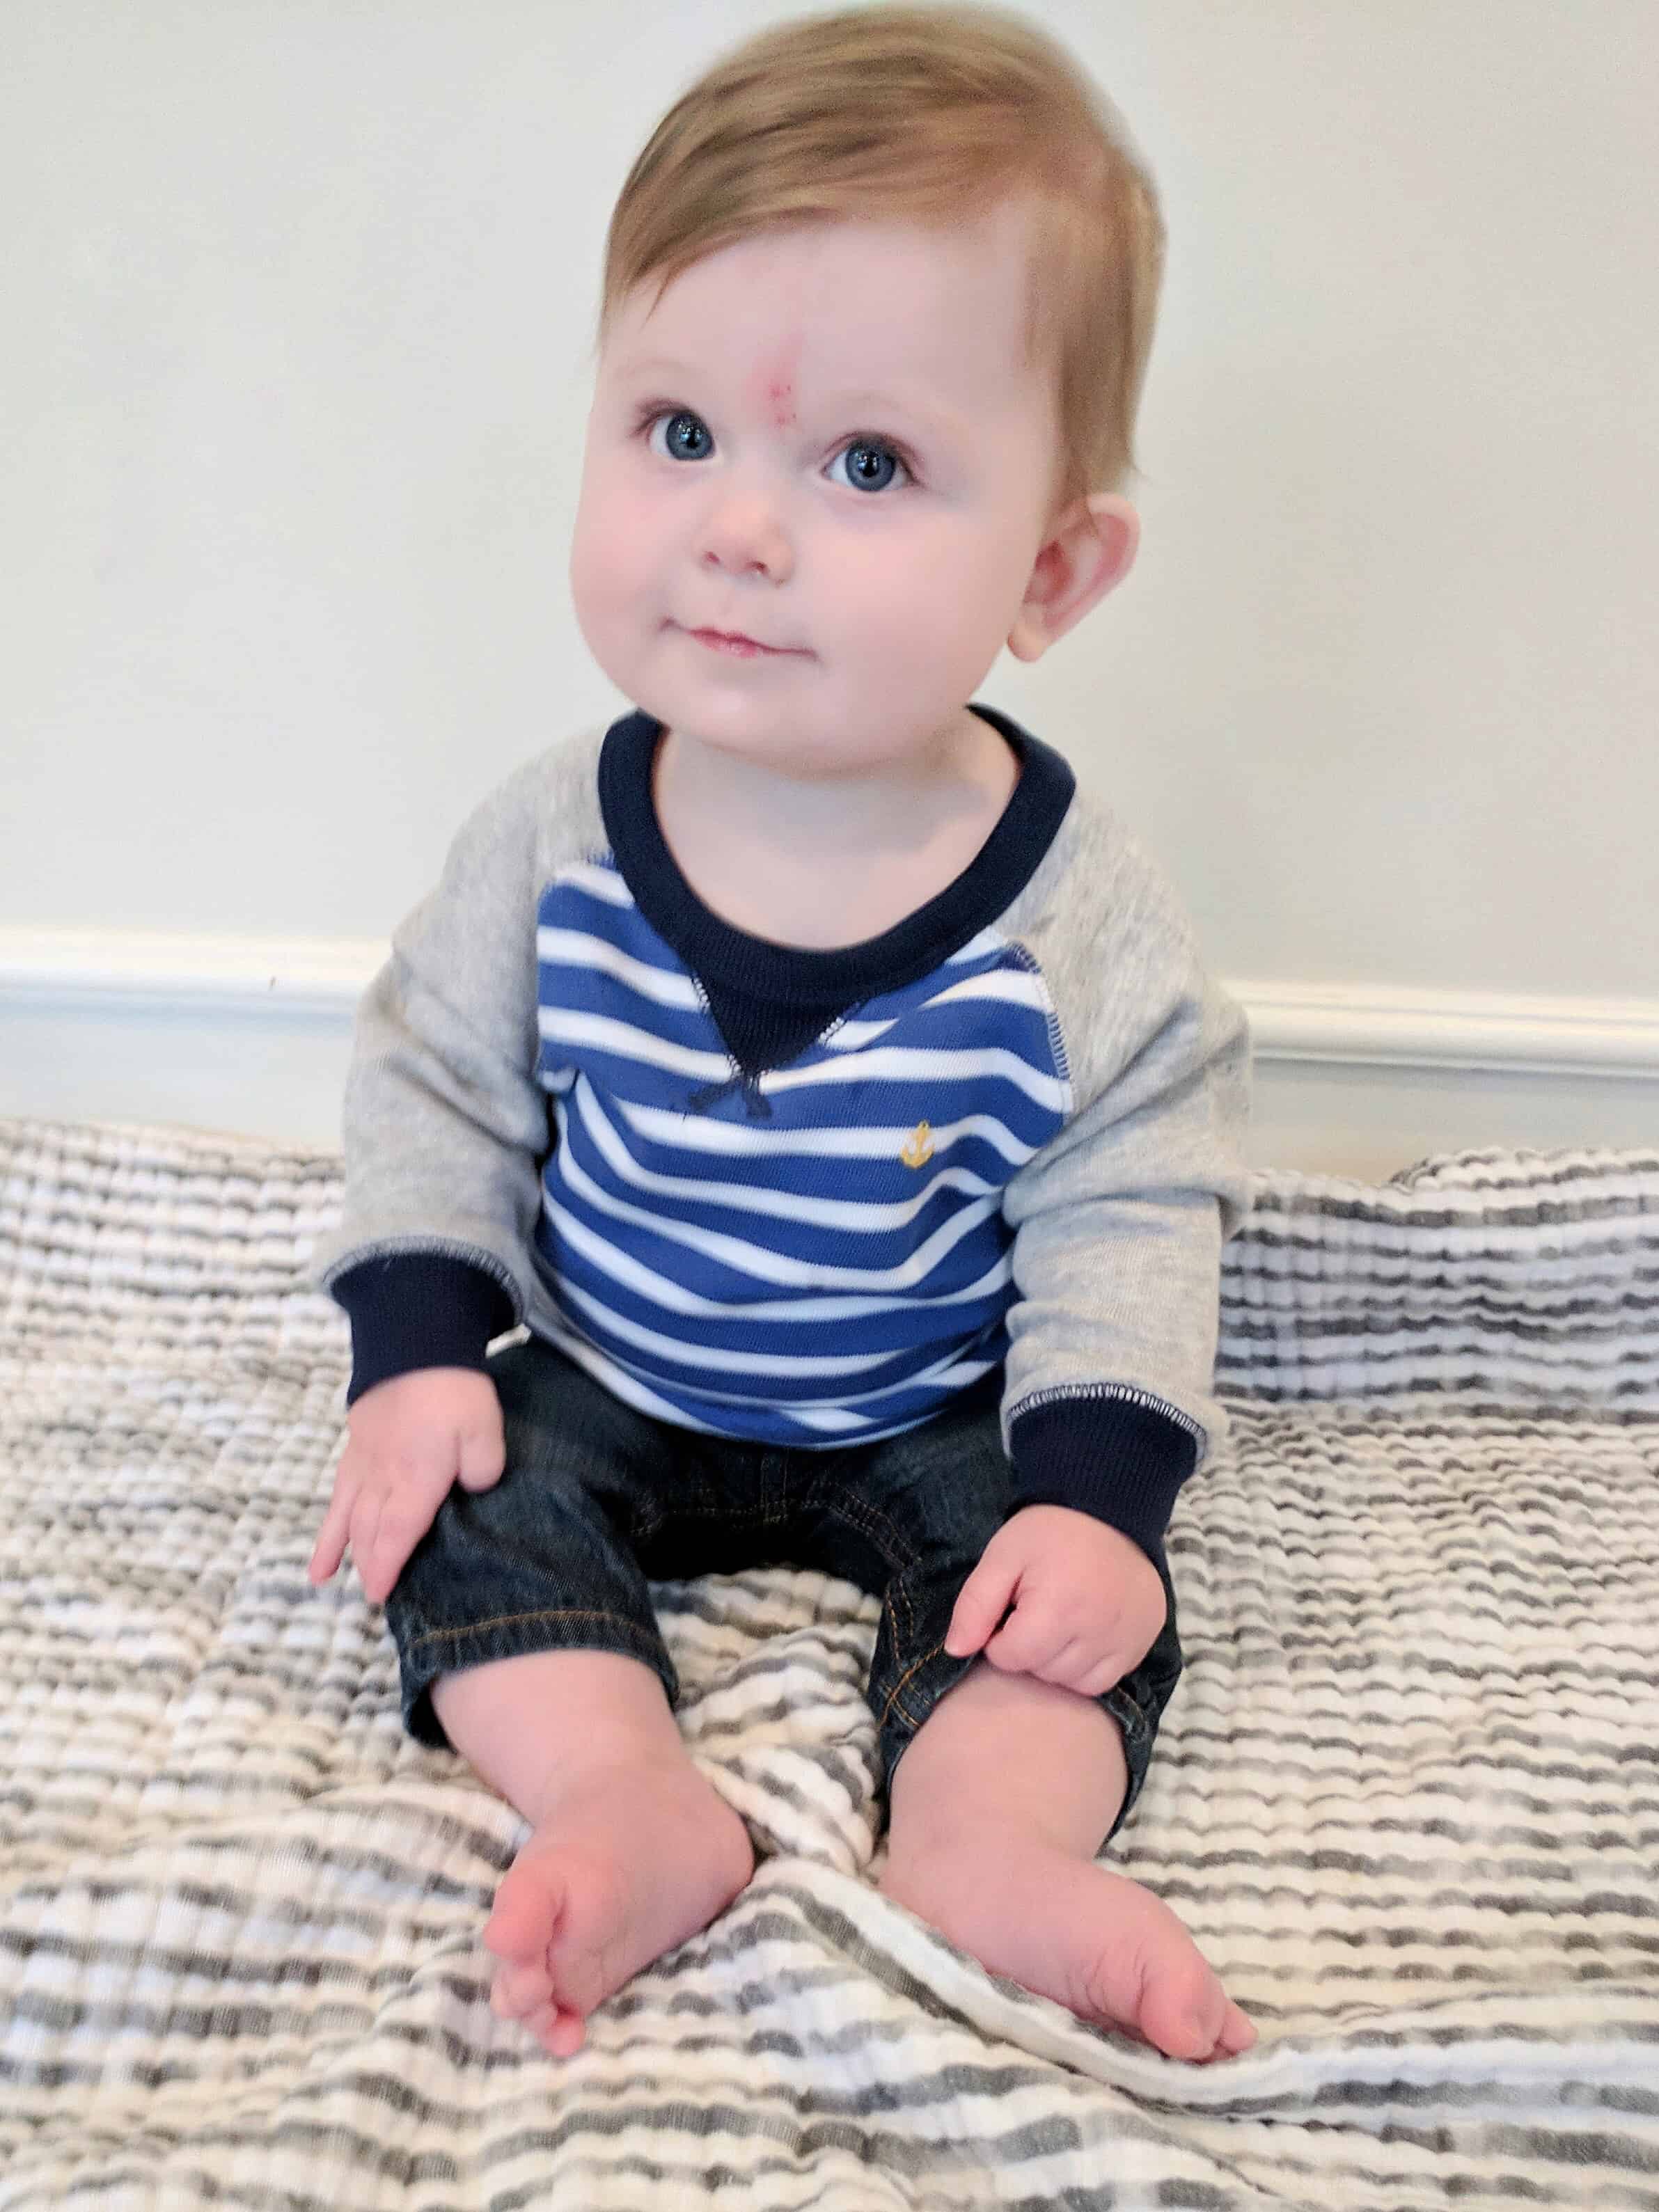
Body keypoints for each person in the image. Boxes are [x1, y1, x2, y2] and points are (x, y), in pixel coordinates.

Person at [308, 2, 1255, 2067]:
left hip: (933, 1402)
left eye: (866, 462)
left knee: (1063, 1609)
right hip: (616, 1366)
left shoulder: (1074, 914)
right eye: (676, 434)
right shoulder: (557, 839)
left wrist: (1093, 1490)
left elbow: (1134, 1193)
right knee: (462, 1505)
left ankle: (987, 1844)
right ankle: (623, 1792)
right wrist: (410, 1356)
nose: (741, 528)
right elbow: (433, 1075)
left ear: (1057, 568)